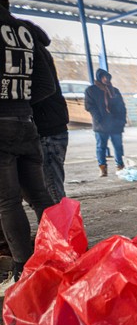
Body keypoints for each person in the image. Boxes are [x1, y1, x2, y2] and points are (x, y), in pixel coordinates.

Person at [0, 0, 57, 293]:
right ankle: (62, 251)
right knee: (39, 195)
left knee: (7, 202)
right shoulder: (24, 31)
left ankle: (25, 268)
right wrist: (18, 101)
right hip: (25, 122)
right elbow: (47, 84)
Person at [18, 13, 68, 203]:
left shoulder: (34, 52)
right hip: (51, 127)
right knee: (48, 186)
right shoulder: (37, 51)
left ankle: (60, 232)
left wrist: (18, 104)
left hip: (48, 130)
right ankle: (55, 229)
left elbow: (46, 87)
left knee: (51, 188)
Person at [84, 68, 127, 177]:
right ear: (99, 77)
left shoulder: (114, 90)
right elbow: (89, 106)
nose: (106, 79)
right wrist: (98, 118)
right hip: (101, 124)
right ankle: (103, 168)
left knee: (118, 146)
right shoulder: (91, 90)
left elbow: (121, 106)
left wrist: (122, 120)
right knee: (101, 146)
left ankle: (120, 166)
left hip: (115, 124)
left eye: (107, 77)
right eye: (103, 77)